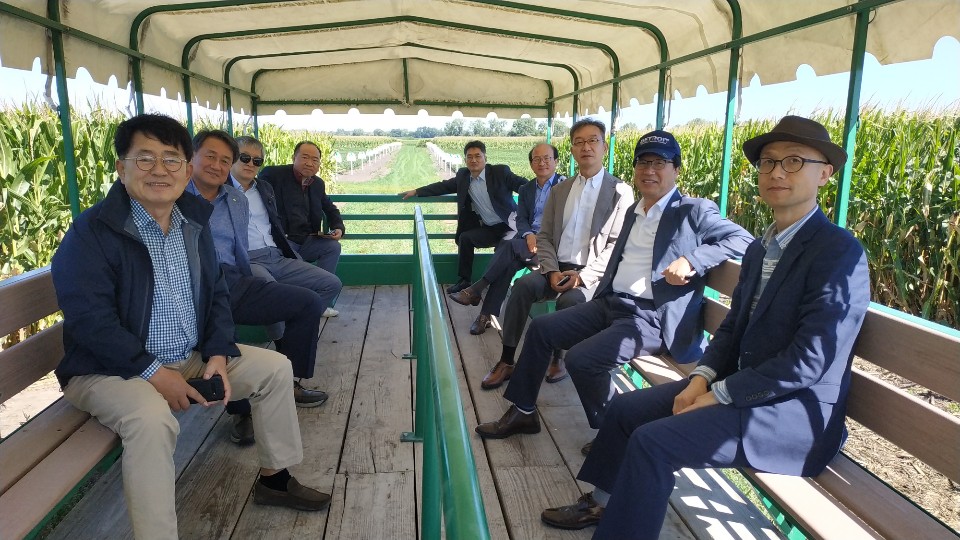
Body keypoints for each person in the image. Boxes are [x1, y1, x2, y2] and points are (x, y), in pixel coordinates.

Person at [539, 116, 871, 538]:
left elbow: (809, 362)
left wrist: (719, 394)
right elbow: (731, 329)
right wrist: (701, 379)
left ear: (824, 173)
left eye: (792, 162)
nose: (776, 173)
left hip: (794, 415)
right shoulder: (761, 247)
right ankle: (605, 503)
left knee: (652, 442)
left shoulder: (837, 252)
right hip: (741, 390)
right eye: (768, 162)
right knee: (625, 410)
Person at [51, 114, 331, 540]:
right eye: (144, 159)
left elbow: (217, 295)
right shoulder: (92, 232)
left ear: (186, 169)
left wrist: (218, 352)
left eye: (171, 159)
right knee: (151, 420)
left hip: (188, 357)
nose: (159, 170)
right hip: (107, 369)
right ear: (120, 168)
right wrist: (154, 374)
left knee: (275, 369)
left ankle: (274, 480)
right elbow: (91, 322)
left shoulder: (191, 225)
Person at [475, 129, 753, 443]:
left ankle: (614, 432)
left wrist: (693, 260)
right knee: (541, 329)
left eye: (659, 163)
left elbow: (744, 240)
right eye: (643, 163)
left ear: (676, 169)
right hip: (610, 302)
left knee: (581, 359)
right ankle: (523, 411)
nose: (649, 171)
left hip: (649, 317)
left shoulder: (692, 210)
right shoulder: (636, 212)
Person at [185, 130, 329, 442]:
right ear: (191, 158)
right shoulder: (176, 195)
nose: (218, 165)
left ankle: (289, 379)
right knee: (223, 331)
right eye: (210, 156)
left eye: (226, 160)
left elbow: (237, 246)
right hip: (192, 284)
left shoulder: (235, 199)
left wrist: (247, 278)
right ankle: (240, 412)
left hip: (234, 278)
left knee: (308, 303)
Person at [469, 120, 635, 390]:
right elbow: (544, 236)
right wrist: (550, 268)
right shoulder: (561, 190)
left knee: (569, 301)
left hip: (591, 274)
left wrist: (583, 277)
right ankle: (507, 359)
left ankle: (558, 357)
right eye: (579, 142)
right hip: (555, 266)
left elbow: (616, 245)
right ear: (571, 149)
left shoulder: (620, 192)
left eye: (593, 140)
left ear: (604, 146)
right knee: (522, 287)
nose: (586, 147)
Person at [224, 134, 344, 444]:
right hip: (241, 262)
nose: (251, 164)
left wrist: (320, 233)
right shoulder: (217, 191)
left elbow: (287, 220)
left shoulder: (263, 188)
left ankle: (289, 371)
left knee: (328, 284)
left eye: (256, 160)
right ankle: (255, 397)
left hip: (278, 254)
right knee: (271, 290)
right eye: (244, 158)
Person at [447, 142, 565, 334]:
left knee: (508, 248)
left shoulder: (565, 187)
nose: (541, 163)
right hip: (527, 243)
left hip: (552, 248)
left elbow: (566, 222)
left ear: (556, 161)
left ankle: (477, 290)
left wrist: (538, 237)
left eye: (547, 158)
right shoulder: (527, 189)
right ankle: (485, 315)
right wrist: (528, 234)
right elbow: (522, 218)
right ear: (531, 164)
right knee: (506, 265)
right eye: (537, 159)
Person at [400, 140, 528, 294]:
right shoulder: (463, 176)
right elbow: (443, 186)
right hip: (489, 228)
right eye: (469, 157)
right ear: (465, 159)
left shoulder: (500, 172)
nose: (474, 160)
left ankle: (498, 286)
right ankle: (464, 281)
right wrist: (416, 191)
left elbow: (524, 186)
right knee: (465, 238)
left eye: (478, 156)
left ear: (485, 158)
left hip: (510, 226)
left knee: (503, 251)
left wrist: (539, 198)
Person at [259, 141, 344, 317]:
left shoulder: (317, 183)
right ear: (294, 158)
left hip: (307, 239)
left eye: (315, 159)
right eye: (305, 157)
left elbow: (330, 208)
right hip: (282, 242)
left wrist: (337, 227)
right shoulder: (273, 175)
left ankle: (320, 304)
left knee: (332, 247)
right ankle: (300, 308)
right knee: (296, 265)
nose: (310, 163)